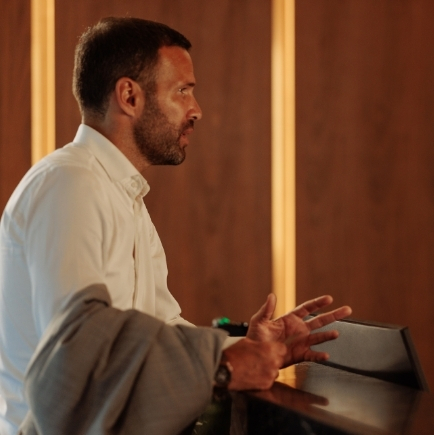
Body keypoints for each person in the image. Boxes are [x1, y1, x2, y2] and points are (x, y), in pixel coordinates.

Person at [0, 17, 351, 434]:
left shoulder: (121, 194)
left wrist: (250, 348)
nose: (196, 109)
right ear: (129, 96)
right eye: (182, 90)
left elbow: (161, 327)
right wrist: (220, 365)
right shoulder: (71, 184)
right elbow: (79, 351)